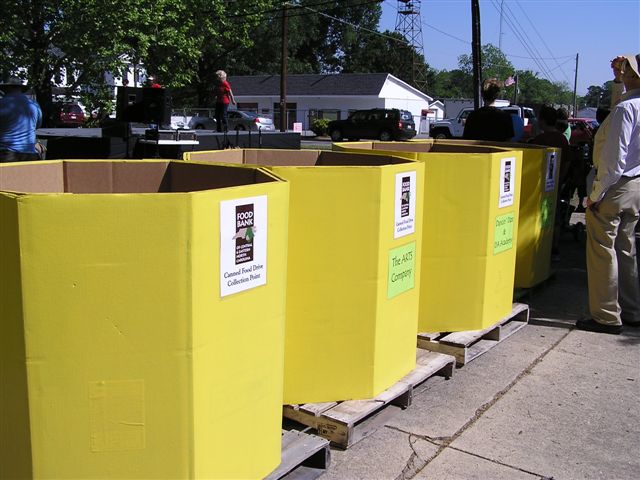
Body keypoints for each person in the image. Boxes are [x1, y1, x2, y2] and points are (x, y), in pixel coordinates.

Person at [577, 53, 640, 335]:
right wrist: (619, 77)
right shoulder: (629, 105)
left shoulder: (626, 110)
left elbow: (614, 159)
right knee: (626, 249)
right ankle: (632, 310)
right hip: (635, 186)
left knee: (602, 250)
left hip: (615, 186)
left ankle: (605, 315)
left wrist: (595, 194)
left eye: (627, 71)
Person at [0, 76, 43, 162]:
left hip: (6, 155)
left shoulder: (2, 104)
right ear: (20, 88)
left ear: (6, 88)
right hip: (30, 155)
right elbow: (37, 125)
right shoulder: (34, 104)